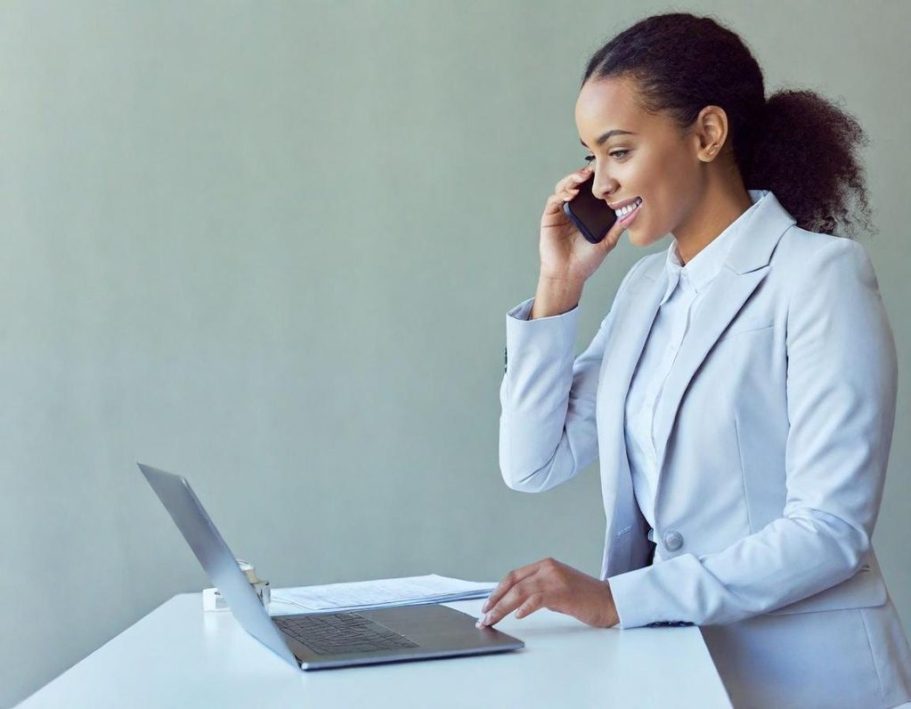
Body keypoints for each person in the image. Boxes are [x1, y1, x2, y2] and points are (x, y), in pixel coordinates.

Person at [480, 12, 911, 708]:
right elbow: (531, 462)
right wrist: (558, 287)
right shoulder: (647, 290)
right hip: (675, 668)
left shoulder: (819, 276)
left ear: (706, 134)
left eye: (618, 152)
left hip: (810, 678)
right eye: (590, 157)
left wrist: (616, 598)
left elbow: (829, 531)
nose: (599, 184)